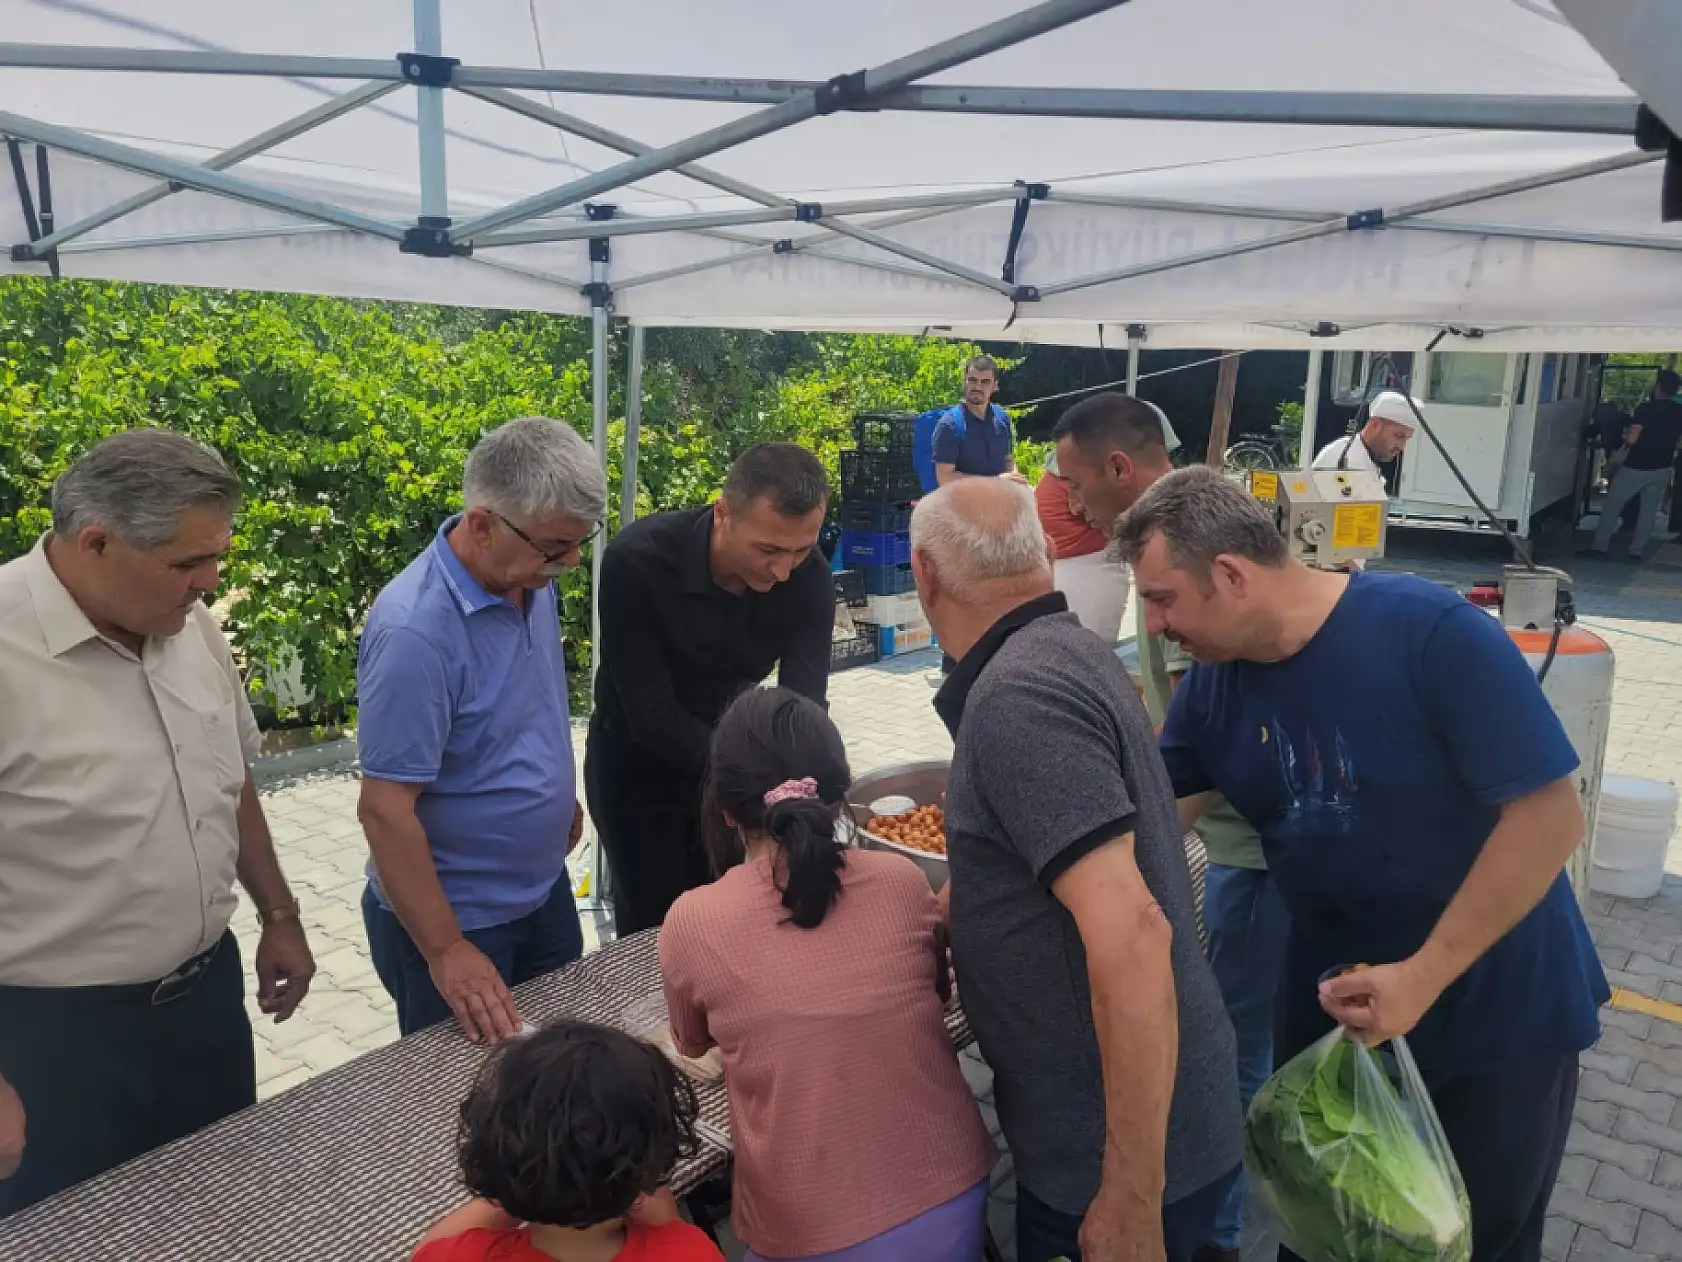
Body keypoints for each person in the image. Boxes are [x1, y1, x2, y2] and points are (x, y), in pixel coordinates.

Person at [1115, 466, 1610, 1262]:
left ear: (1233, 575)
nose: (1155, 622)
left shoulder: (1431, 634)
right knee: (1327, 1240)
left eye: (1164, 597)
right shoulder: (1215, 687)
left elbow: (1552, 817)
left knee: (1469, 1243)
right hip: (1339, 1031)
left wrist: (1422, 975)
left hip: (1495, 1016)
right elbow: (1149, 823)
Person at [910, 476, 1243, 1262]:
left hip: (1113, 1161)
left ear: (923, 575)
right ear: (1049, 554)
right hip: (1147, 1129)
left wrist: (1130, 1197)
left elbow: (1131, 938)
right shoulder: (1071, 652)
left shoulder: (1019, 697)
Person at [0, 428, 315, 1217]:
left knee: (215, 1217)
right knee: (71, 1236)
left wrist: (280, 912)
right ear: (96, 542)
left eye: (216, 557)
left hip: (203, 1006)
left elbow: (230, 777)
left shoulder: (187, 626)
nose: (210, 583)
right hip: (52, 1041)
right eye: (187, 564)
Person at [1053, 393, 1282, 1262]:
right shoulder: (1183, 537)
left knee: (1228, 1045)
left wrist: (1130, 846)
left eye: (1076, 484)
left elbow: (1197, 733)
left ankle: (1216, 1230)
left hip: (1250, 856)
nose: (1072, 505)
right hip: (1235, 843)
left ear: (1121, 468)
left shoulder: (1182, 556)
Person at [660, 686, 997, 1261]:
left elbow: (694, 1045)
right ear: (840, 798)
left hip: (808, 1229)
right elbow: (934, 1000)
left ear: (724, 809)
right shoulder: (902, 883)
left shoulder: (691, 923)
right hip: (956, 1191)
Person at [357, 418, 606, 1043]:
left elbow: (521, 707)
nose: (570, 563)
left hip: (542, 891)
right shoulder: (415, 634)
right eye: (556, 546)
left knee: (559, 1079)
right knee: (465, 1111)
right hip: (462, 923)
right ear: (482, 524)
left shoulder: (526, 576)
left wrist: (552, 796)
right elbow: (386, 811)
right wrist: (446, 951)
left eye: (580, 543)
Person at [588, 443, 834, 937]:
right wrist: (760, 780)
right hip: (640, 772)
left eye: (800, 550)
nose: (783, 571)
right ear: (723, 514)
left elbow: (803, 704)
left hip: (738, 773)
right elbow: (651, 716)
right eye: (768, 551)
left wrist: (810, 783)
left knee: (740, 921)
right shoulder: (636, 563)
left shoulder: (810, 578)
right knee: (656, 932)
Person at [412, 1019, 723, 1262]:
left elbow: (428, 1248)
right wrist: (667, 1228)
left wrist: (530, 1185)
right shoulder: (691, 1252)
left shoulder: (454, 1256)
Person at [1585, 369, 1682, 562]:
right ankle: (1637, 550)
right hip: (1662, 466)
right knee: (1648, 511)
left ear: (1658, 387)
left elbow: (1632, 438)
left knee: (1613, 504)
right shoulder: (1679, 411)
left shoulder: (1645, 410)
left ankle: (1600, 546)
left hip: (1636, 466)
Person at [1035, 450, 1129, 645]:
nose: (1074, 506)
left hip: (1091, 565)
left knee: (1084, 650)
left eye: (1075, 485)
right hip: (1064, 566)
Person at [1311, 389, 1418, 474]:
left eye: (1406, 439)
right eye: (1399, 436)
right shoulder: (1344, 458)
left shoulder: (1366, 455)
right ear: (1375, 425)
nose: (1402, 447)